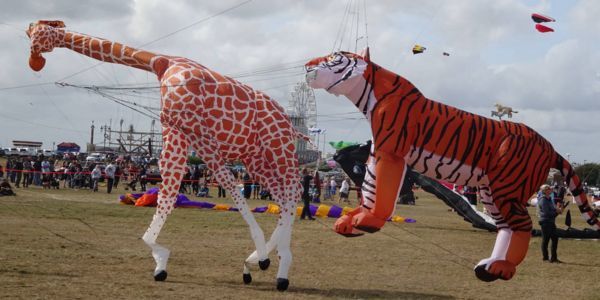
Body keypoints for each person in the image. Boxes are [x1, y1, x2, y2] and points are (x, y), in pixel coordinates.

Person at [538, 184, 562, 263]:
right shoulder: (543, 200)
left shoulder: (549, 199)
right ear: (544, 191)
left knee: (555, 239)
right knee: (546, 240)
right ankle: (545, 257)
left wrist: (558, 210)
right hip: (545, 222)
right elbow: (547, 212)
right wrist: (556, 212)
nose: (550, 189)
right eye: (548, 188)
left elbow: (553, 209)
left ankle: (553, 258)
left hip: (551, 222)